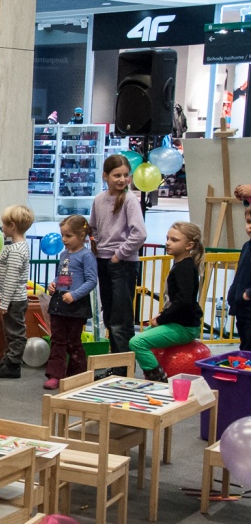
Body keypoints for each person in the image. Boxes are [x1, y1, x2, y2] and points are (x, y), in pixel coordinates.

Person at [90, 154, 147, 374]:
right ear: (105, 176)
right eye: (117, 175)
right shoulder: (99, 199)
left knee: (121, 320)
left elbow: (139, 234)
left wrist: (119, 255)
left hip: (122, 264)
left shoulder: (130, 200)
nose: (122, 179)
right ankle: (116, 366)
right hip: (103, 261)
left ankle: (123, 369)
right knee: (109, 316)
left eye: (125, 175)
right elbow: (94, 227)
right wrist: (97, 248)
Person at [129, 222, 205, 381]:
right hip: (179, 322)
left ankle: (157, 378)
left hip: (184, 327)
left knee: (137, 342)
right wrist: (162, 316)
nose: (168, 243)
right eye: (167, 238)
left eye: (174, 240)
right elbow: (176, 301)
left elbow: (184, 302)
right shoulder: (181, 265)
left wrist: (162, 319)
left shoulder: (184, 268)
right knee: (147, 332)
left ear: (189, 245)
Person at [44, 215, 98, 390]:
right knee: (57, 340)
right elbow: (61, 275)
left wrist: (74, 295)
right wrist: (53, 284)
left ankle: (77, 375)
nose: (64, 239)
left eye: (68, 236)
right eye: (62, 235)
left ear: (81, 235)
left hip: (76, 305)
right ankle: (55, 375)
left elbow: (91, 281)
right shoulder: (64, 254)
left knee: (73, 342)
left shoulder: (86, 256)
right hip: (59, 302)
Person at [0, 204, 34, 379]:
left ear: (12, 226)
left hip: (14, 299)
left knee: (15, 333)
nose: (2, 228)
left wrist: (4, 302)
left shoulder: (16, 250)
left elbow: (11, 278)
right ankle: (7, 361)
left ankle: (13, 364)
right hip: (14, 298)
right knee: (10, 332)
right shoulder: (18, 246)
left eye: (4, 224)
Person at [227, 206, 251, 350]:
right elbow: (240, 274)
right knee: (245, 345)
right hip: (242, 309)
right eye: (248, 222)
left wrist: (248, 294)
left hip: (248, 306)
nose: (250, 226)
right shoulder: (246, 246)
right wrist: (233, 294)